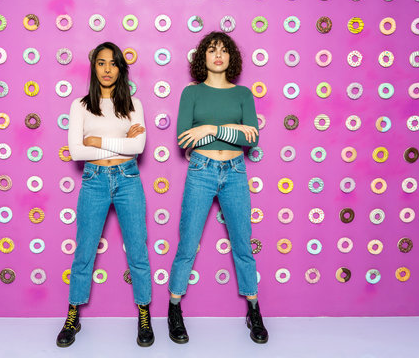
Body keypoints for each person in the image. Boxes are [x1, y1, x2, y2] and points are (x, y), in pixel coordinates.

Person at [167, 31, 268, 344]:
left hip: (236, 171)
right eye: (212, 50)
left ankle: (254, 309)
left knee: (242, 243)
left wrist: (210, 129)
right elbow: (185, 136)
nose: (218, 55)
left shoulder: (243, 94)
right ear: (203, 57)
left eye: (224, 50)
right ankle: (174, 308)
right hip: (201, 171)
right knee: (188, 242)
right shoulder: (191, 94)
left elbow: (253, 138)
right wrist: (234, 130)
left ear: (231, 57)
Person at [56, 42, 154, 348]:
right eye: (101, 63)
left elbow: (137, 148)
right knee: (84, 251)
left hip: (128, 179)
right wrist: (118, 140)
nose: (107, 69)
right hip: (94, 180)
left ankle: (144, 313)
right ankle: (73, 315)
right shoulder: (80, 105)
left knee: (138, 251)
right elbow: (76, 150)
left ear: (120, 68)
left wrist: (97, 139)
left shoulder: (134, 104)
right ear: (94, 67)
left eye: (112, 63)